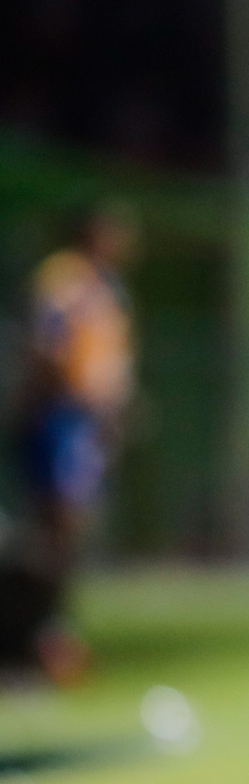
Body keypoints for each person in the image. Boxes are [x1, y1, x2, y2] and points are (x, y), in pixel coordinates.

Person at [1, 207, 138, 684]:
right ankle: (39, 638)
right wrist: (76, 400)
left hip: (84, 423)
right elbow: (46, 344)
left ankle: (49, 636)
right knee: (59, 526)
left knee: (71, 529)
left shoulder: (104, 286)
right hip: (62, 420)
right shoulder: (66, 279)